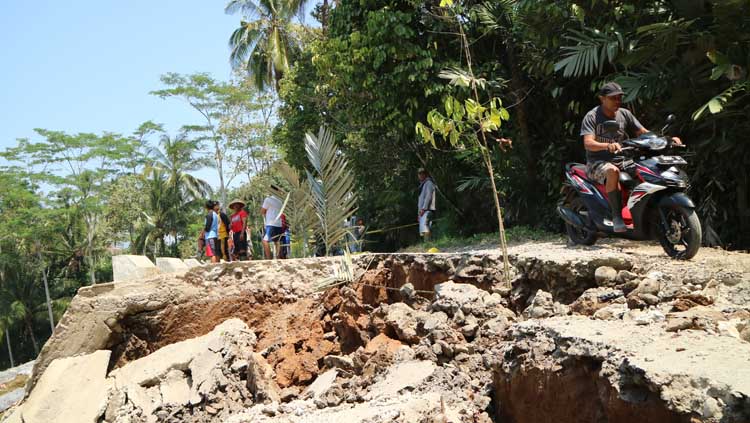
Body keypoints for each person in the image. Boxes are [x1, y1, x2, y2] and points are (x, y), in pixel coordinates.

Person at [581, 81, 682, 232]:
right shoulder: (592, 116)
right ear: (602, 99)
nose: (617, 101)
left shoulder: (624, 114)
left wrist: (667, 139)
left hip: (624, 159)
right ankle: (617, 217)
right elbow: (588, 143)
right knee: (612, 171)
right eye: (613, 98)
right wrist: (607, 146)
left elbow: (643, 132)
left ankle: (642, 213)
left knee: (648, 169)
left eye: (619, 98)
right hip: (598, 162)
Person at [260, 187, 284, 259]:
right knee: (277, 241)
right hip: (279, 223)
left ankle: (269, 259)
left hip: (271, 223)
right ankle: (278, 258)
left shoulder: (268, 199)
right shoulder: (280, 200)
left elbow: (262, 211)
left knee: (265, 241)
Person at [417, 168, 437, 242]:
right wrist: (419, 214)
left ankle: (428, 243)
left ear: (425, 174)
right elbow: (420, 200)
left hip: (428, 209)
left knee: (426, 226)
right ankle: (427, 244)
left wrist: (424, 208)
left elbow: (428, 197)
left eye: (422, 174)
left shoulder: (429, 183)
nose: (420, 175)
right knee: (424, 228)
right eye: (419, 174)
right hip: (423, 211)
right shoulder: (422, 185)